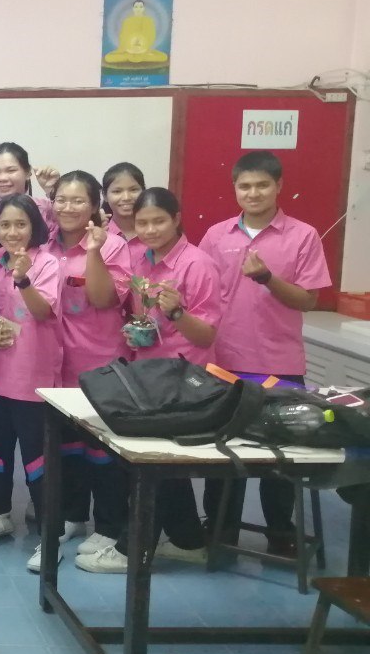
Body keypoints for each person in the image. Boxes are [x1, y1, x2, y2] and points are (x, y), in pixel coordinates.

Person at [76, 187, 219, 574]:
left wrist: (176, 314)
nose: (151, 229)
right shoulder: (140, 259)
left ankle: (132, 550)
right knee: (161, 465)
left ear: (177, 219)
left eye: (159, 221)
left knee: (149, 468)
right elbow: (123, 306)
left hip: (182, 382)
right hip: (147, 375)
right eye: (143, 223)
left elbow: (206, 335)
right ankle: (189, 541)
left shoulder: (197, 264)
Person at [199, 150, 330, 555]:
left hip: (279, 363)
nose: (253, 193)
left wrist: (268, 278)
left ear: (279, 186)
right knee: (222, 456)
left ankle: (280, 534)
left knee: (280, 458)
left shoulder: (303, 235)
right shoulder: (217, 235)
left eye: (262, 185)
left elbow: (307, 300)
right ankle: (220, 531)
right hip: (224, 361)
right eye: (245, 186)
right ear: (234, 188)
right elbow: (199, 291)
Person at [44, 171, 131, 567]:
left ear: (95, 206)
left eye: (78, 200)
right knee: (67, 447)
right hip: (56, 364)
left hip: (100, 364)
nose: (68, 207)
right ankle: (72, 515)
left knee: (103, 451)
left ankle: (109, 526)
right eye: (61, 199)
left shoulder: (112, 245)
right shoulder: (45, 243)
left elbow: (104, 298)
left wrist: (94, 252)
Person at [0, 194, 63, 566]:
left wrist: (24, 280)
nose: (12, 232)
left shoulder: (47, 263)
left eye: (20, 224)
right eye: (5, 225)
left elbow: (42, 311)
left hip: (32, 380)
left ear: (34, 227)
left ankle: (50, 538)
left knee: (38, 461)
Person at [0, 142, 59, 263]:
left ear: (28, 173)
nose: (2, 178)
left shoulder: (47, 209)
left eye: (11, 170)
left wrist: (53, 191)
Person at [102, 161, 145, 245]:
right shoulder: (99, 235)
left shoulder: (154, 233)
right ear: (105, 196)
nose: (126, 197)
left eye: (133, 190)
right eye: (117, 191)